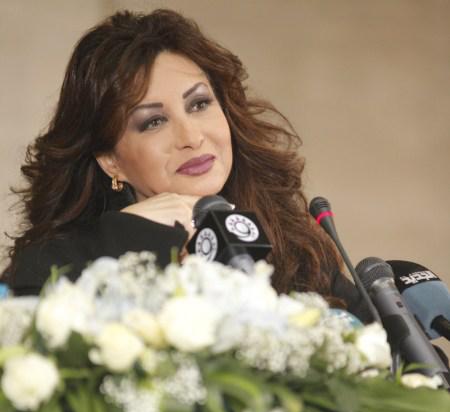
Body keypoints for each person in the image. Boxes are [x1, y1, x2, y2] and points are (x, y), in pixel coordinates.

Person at [2, 9, 370, 321]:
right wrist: (130, 237)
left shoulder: (291, 246)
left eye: (199, 104)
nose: (191, 137)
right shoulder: (58, 263)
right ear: (111, 160)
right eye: (153, 122)